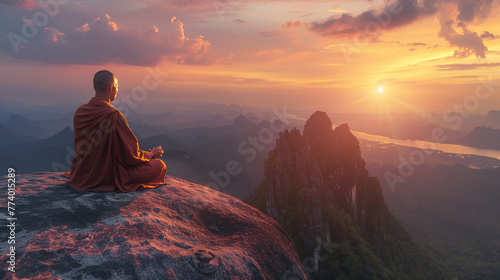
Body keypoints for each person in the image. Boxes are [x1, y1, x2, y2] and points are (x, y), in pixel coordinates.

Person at [69, 70, 166, 191]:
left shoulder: (80, 112)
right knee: (159, 165)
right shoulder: (114, 116)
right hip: (110, 175)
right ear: (111, 87)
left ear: (94, 86)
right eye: (117, 86)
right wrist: (151, 154)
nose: (117, 90)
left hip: (81, 173)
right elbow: (130, 156)